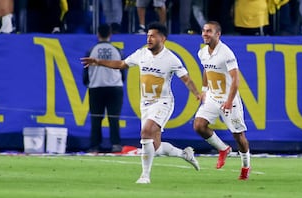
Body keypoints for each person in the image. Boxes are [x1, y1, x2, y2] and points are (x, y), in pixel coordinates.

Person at [81, 22, 201, 184]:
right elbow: (121, 64)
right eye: (148, 35)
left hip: (163, 103)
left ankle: (145, 176)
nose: (149, 39)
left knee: (146, 133)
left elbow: (186, 79)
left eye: (153, 35)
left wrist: (197, 94)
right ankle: (184, 154)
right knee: (156, 147)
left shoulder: (171, 59)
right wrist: (98, 61)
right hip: (146, 105)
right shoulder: (141, 54)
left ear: (162, 38)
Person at [193, 21, 251, 180]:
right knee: (199, 125)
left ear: (218, 34)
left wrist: (229, 101)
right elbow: (206, 69)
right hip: (212, 96)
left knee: (239, 137)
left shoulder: (226, 53)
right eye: (204, 30)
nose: (205, 34)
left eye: (209, 31)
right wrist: (204, 90)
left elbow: (236, 80)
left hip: (228, 100)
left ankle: (246, 166)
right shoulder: (202, 52)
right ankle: (223, 149)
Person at [84, 24, 124, 153]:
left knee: (96, 118)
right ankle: (116, 144)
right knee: (114, 118)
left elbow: (85, 72)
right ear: (110, 35)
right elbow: (123, 71)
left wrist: (88, 83)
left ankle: (94, 146)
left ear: (98, 34)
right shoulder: (117, 50)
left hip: (96, 87)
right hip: (115, 87)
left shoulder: (91, 51)